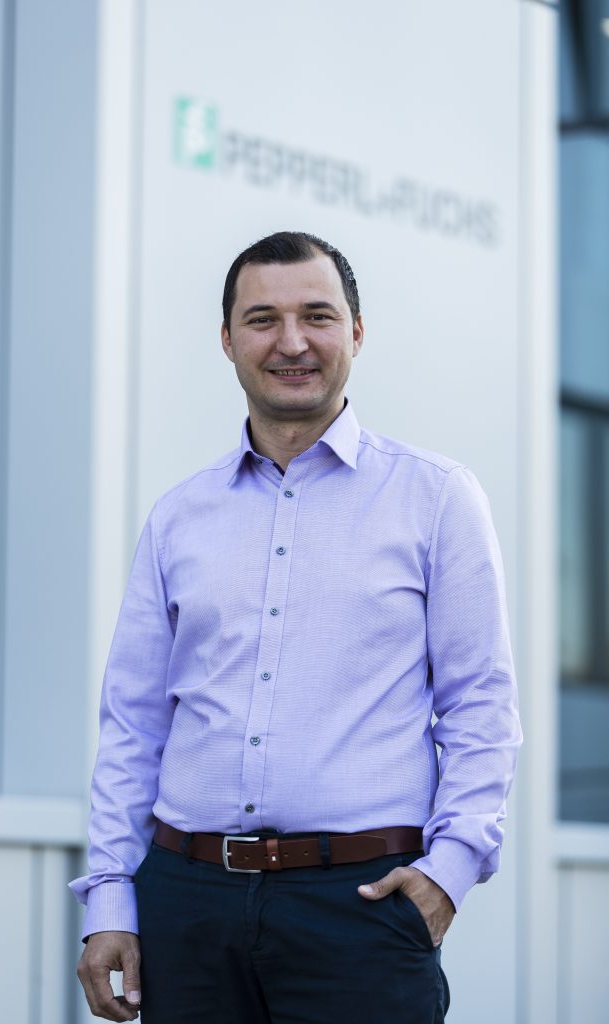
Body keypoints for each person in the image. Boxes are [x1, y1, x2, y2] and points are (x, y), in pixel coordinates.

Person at [71, 231, 522, 1023]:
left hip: (360, 907)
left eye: (316, 315)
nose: (291, 342)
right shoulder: (179, 517)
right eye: (262, 319)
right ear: (227, 340)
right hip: (186, 904)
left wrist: (447, 874)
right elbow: (133, 725)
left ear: (356, 331)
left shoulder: (436, 498)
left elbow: (480, 706)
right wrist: (111, 896)